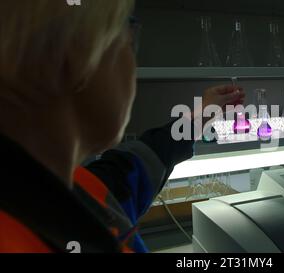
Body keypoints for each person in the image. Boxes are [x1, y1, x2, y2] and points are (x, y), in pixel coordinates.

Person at [0, 0, 244, 253]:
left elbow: (144, 159)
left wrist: (199, 117)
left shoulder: (81, 191)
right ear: (76, 58)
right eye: (128, 41)